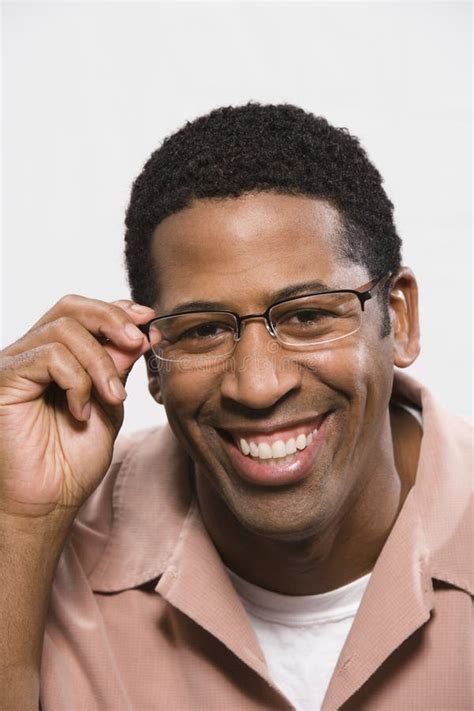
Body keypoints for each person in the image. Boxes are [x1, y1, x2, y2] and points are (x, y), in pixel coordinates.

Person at [0, 104, 471, 711]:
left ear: (399, 320)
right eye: (201, 330)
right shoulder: (41, 545)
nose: (256, 386)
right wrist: (22, 520)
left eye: (307, 316)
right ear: (149, 361)